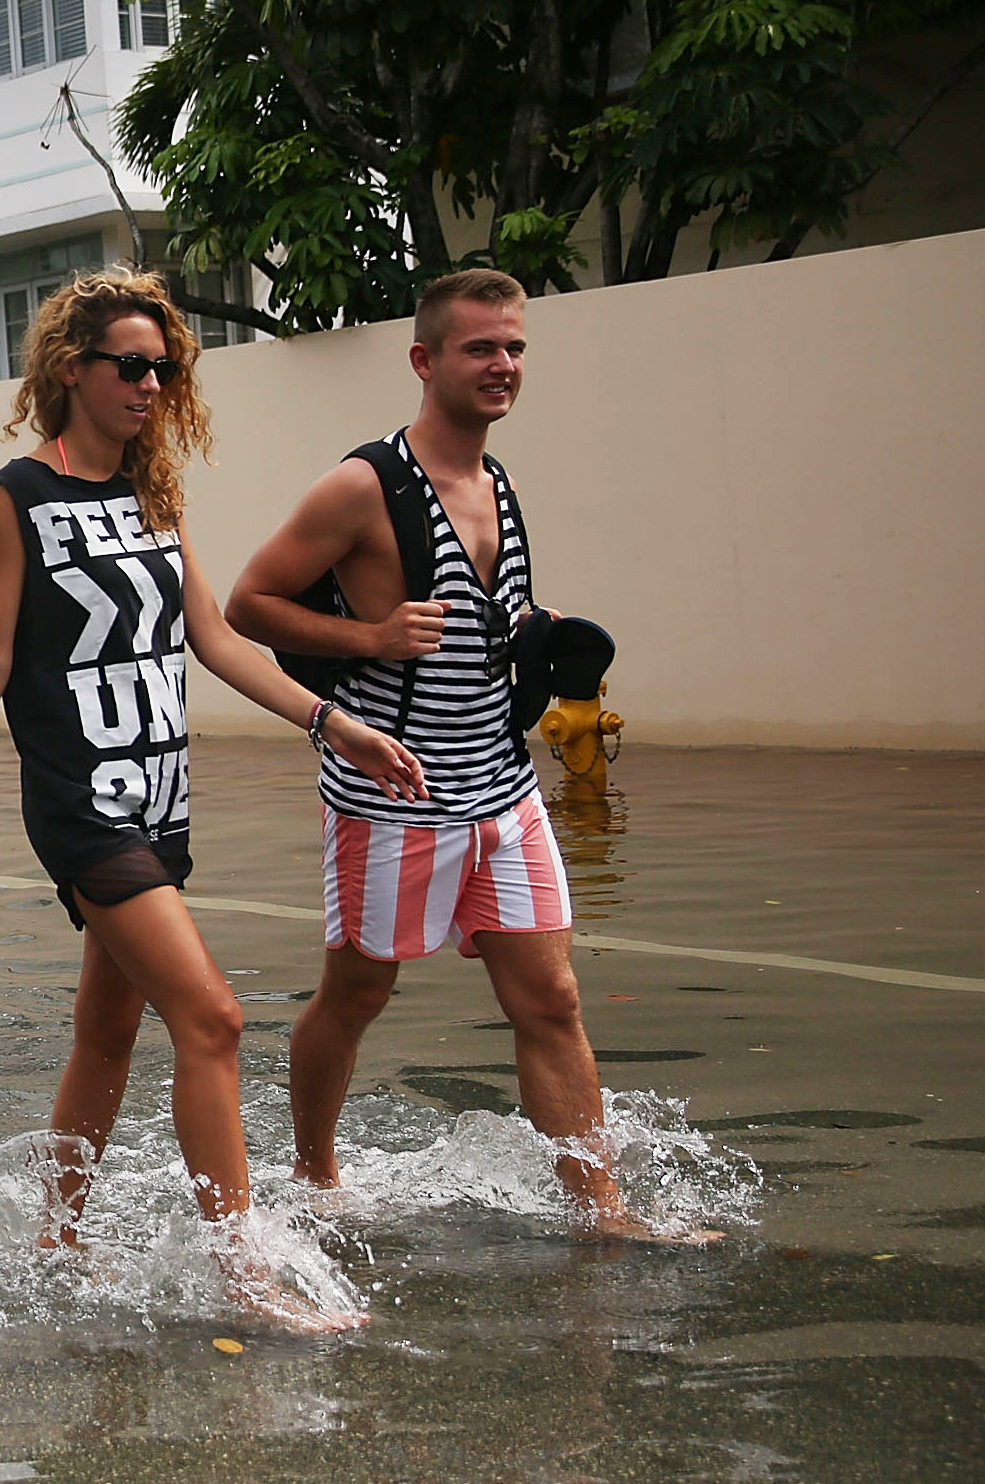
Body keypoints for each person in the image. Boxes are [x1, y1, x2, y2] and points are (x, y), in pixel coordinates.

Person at [0, 268, 425, 1331]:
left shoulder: (154, 494)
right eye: (133, 366)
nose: (153, 384)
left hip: (159, 799)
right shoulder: (21, 494)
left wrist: (332, 721)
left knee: (107, 1036)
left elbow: (217, 636)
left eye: (166, 367)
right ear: (75, 371)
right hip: (82, 803)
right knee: (214, 1017)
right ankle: (243, 1274)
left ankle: (56, 1236)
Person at [224, 268, 710, 1243]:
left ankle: (603, 1213)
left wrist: (532, 626)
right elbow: (246, 604)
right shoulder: (364, 485)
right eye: (480, 347)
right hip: (391, 792)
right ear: (425, 359)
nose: (503, 365)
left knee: (553, 995)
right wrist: (370, 639)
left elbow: (482, 617)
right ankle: (315, 1174)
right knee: (358, 991)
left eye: (515, 347)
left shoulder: (502, 483)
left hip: (502, 783)